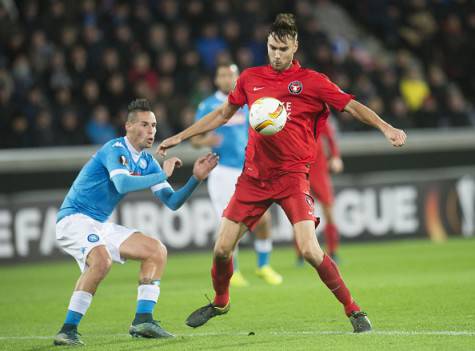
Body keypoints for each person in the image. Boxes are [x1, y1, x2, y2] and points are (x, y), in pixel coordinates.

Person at [157, 14, 406, 333]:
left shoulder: (314, 82)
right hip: (253, 178)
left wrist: (386, 127)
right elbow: (222, 114)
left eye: (283, 48)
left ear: (295, 47)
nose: (276, 54)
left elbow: (352, 105)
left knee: (309, 250)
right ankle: (221, 301)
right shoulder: (250, 78)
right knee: (221, 249)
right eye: (272, 47)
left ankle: (353, 309)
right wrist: (181, 136)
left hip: (291, 178)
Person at [53, 98, 218, 346]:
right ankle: (67, 329)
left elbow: (172, 202)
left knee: (156, 250)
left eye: (153, 125)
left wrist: (195, 179)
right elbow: (121, 183)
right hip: (73, 218)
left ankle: (143, 320)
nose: (151, 130)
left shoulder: (147, 161)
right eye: (144, 124)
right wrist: (162, 174)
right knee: (101, 260)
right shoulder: (115, 149)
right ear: (128, 126)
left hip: (98, 223)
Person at [191, 62, 282, 287]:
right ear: (216, 79)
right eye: (222, 75)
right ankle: (235, 272)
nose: (226, 79)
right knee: (230, 222)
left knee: (263, 218)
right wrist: (206, 140)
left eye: (230, 75)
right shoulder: (208, 105)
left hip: (250, 170)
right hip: (222, 171)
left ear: (237, 77)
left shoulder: (248, 101)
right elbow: (194, 140)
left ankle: (263, 266)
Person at [296, 119, 343, 264]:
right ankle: (300, 254)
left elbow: (330, 138)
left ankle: (333, 251)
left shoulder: (317, 113)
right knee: (300, 213)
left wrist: (335, 157)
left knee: (328, 210)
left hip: (318, 168)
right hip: (299, 168)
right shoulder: (290, 113)